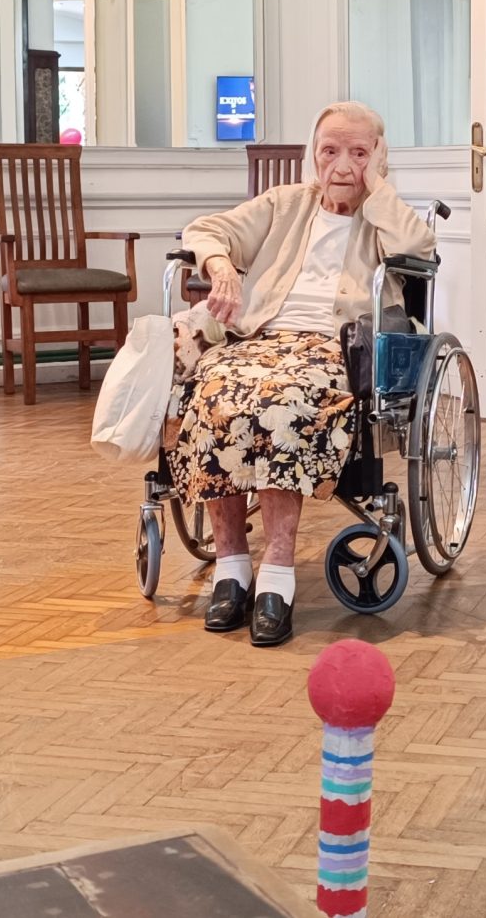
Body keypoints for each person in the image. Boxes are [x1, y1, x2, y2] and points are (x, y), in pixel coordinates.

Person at [176, 101, 437, 647]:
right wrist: (222, 268)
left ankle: (277, 574)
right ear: (312, 155)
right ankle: (231, 567)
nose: (342, 165)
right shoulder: (286, 204)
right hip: (260, 339)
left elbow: (418, 251)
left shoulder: (384, 214)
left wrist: (377, 187)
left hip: (334, 349)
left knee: (281, 399)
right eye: (330, 151)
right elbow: (205, 229)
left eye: (359, 153)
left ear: (379, 158)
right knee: (213, 391)